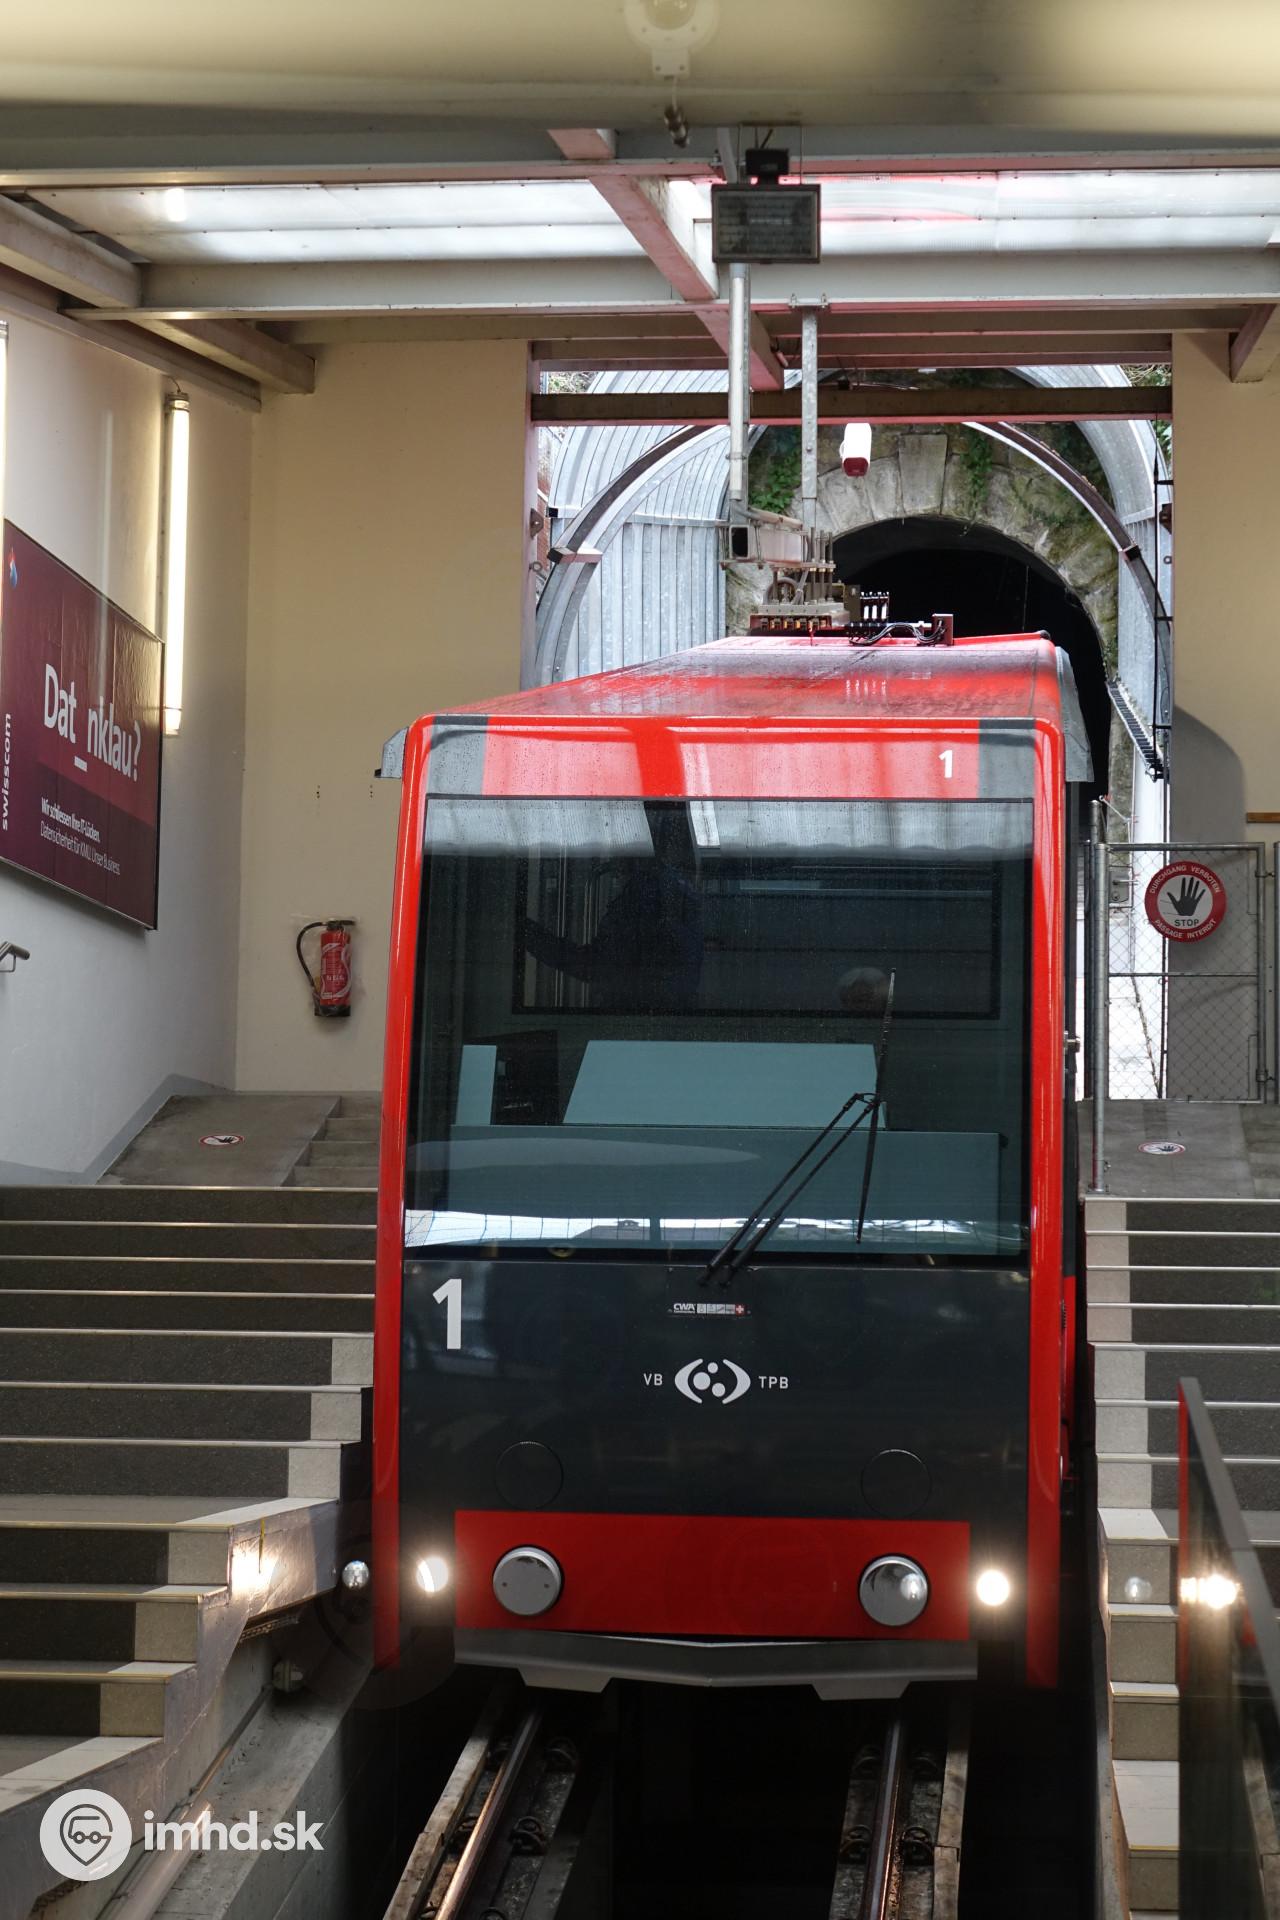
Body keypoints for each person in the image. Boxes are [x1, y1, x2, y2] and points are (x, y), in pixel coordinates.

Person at [524, 807, 703, 1013]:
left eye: (615, 848)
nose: (611, 856)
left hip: (636, 1014)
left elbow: (599, 966)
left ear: (632, 852)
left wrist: (526, 933)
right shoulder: (672, 888)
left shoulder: (644, 897)